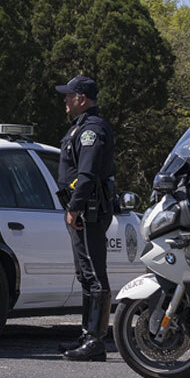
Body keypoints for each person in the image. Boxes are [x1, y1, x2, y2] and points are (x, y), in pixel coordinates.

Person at [54, 75, 116, 361]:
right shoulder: (80, 128)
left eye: (69, 96)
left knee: (93, 274)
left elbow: (87, 174)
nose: (65, 101)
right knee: (85, 273)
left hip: (89, 210)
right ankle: (87, 334)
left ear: (82, 98)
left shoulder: (91, 130)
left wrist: (75, 207)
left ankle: (96, 340)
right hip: (83, 209)